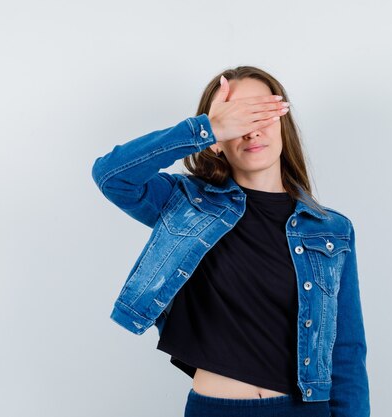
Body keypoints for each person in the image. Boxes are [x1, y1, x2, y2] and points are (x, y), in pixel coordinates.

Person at [91, 65, 370, 417]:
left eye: (261, 114)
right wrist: (208, 128)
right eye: (237, 119)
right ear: (217, 142)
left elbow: (346, 349)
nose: (251, 131)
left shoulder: (330, 228)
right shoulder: (185, 204)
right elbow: (112, 177)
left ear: (283, 123)